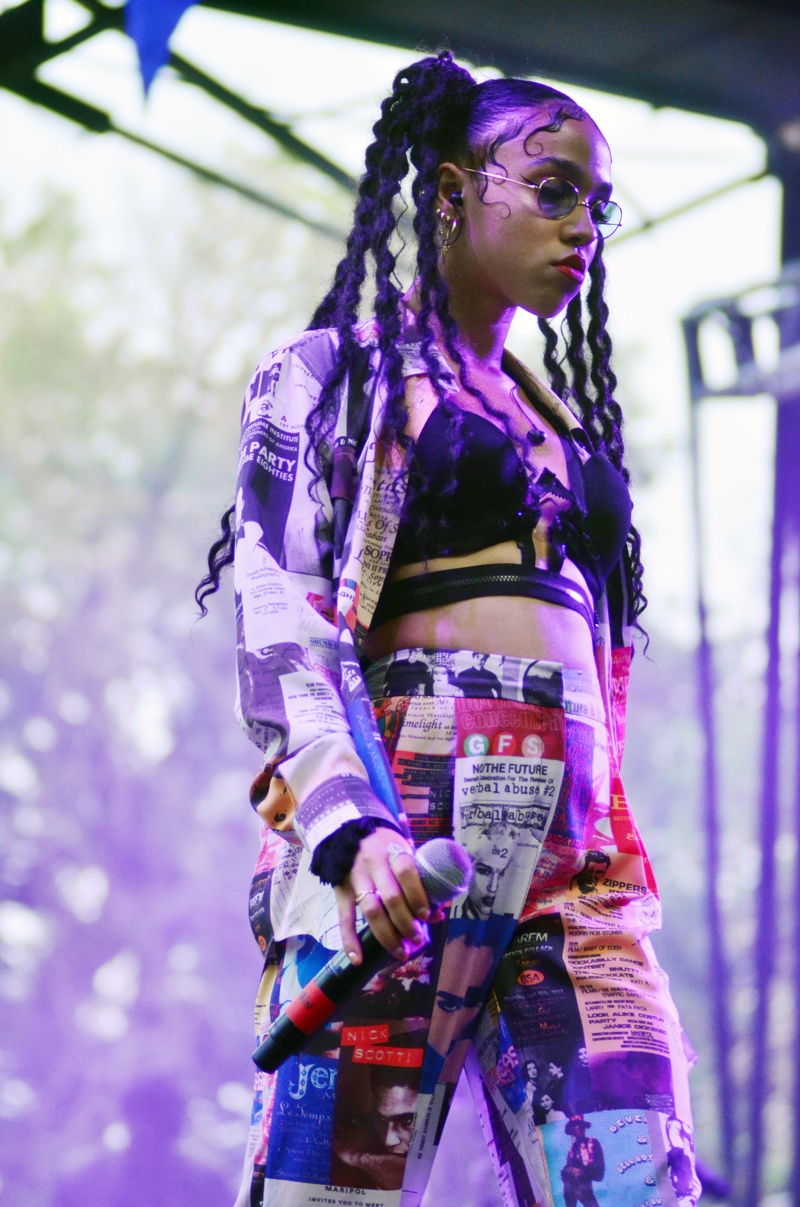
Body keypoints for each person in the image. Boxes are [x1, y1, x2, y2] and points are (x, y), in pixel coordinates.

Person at [196, 50, 697, 1207]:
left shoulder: (567, 430)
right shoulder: (333, 377)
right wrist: (347, 827)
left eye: (598, 204)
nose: (584, 227)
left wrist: (613, 842)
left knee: (635, 1180)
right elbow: (282, 620)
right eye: (554, 188)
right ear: (451, 192)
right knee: (334, 1195)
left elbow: (598, 679)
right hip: (394, 847)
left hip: (571, 875)